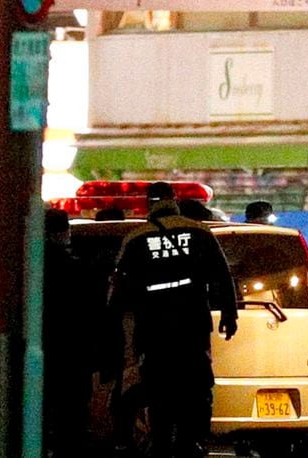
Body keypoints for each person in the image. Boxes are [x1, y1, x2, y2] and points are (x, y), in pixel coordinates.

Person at [107, 181, 238, 458]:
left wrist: (113, 327)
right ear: (173, 200)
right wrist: (229, 314)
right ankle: (193, 441)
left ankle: (164, 443)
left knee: (159, 393)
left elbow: (119, 291)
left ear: (149, 204)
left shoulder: (136, 238)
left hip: (154, 332)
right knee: (197, 387)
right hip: (192, 327)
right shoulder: (199, 232)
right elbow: (221, 275)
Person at [42, 208, 90, 456]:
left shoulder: (32, 267)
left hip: (49, 349)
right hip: (72, 355)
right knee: (71, 418)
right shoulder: (74, 268)